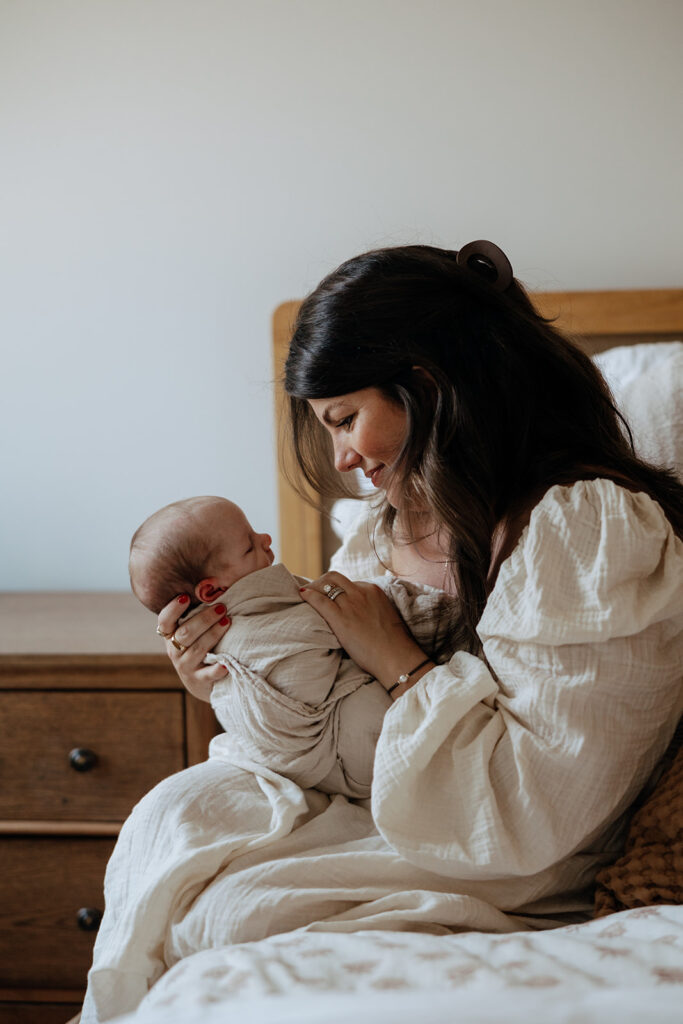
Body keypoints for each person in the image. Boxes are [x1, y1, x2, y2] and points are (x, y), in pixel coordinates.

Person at [82, 242, 683, 1024]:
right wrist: (237, 678)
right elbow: (335, 702)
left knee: (227, 917)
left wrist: (396, 661)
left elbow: (541, 800)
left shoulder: (585, 527)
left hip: (511, 846)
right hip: (398, 797)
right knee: (178, 818)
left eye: (345, 420)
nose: (341, 458)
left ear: (425, 386)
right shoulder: (393, 521)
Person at [129, 494, 452, 797]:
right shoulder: (248, 630)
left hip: (407, 750)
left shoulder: (274, 604)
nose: (266, 539)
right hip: (343, 753)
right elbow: (297, 675)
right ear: (212, 593)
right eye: (248, 546)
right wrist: (211, 688)